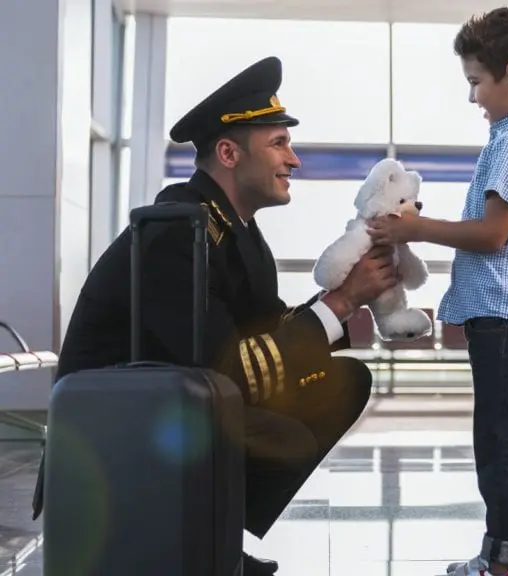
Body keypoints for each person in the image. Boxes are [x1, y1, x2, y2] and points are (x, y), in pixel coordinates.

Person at [31, 56, 397, 575]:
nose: (293, 160)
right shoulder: (178, 231)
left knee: (342, 381)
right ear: (228, 152)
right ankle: (192, 532)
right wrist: (338, 304)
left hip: (169, 414)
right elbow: (229, 369)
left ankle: (215, 532)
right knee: (288, 424)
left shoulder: (233, 230)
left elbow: (267, 334)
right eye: (278, 143)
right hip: (112, 434)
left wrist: (346, 293)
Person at [366, 7, 508, 576]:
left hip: (505, 312)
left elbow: (493, 234)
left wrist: (414, 229)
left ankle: (501, 561)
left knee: (499, 441)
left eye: (476, 82)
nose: (474, 97)